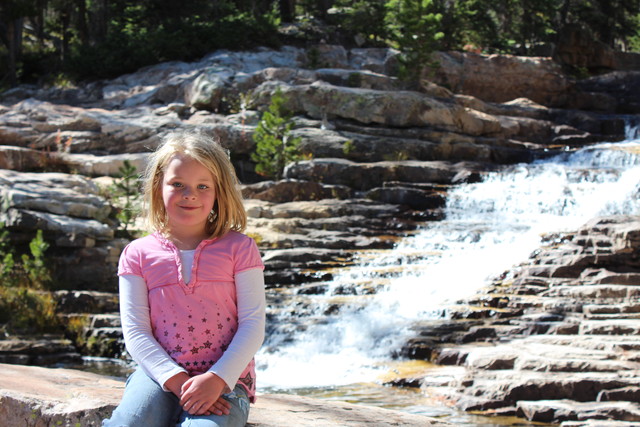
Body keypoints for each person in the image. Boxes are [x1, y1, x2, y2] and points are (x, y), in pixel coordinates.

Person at [104, 130, 265, 427]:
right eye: (177, 184)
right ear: (157, 187)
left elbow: (253, 325)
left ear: (219, 192)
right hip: (157, 375)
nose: (189, 194)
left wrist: (216, 380)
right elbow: (136, 332)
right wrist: (176, 381)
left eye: (202, 186)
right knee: (129, 422)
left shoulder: (240, 249)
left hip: (227, 382)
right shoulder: (137, 254)